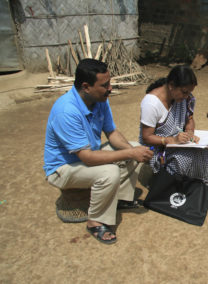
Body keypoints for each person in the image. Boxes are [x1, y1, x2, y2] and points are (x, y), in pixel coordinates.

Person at [43, 58, 153, 245]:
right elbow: (86, 157)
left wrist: (133, 150)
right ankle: (95, 221)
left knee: (133, 146)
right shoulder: (66, 111)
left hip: (86, 157)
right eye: (105, 85)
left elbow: (112, 133)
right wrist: (130, 153)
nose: (110, 88)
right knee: (110, 171)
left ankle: (122, 199)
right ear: (86, 87)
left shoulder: (99, 99)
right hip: (62, 168)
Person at [139, 65, 208, 202]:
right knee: (186, 158)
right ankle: (171, 182)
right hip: (158, 148)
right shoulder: (151, 103)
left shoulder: (184, 99)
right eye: (184, 92)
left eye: (189, 92)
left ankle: (204, 185)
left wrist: (190, 132)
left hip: (178, 141)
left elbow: (189, 119)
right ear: (171, 86)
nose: (187, 96)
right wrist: (170, 140)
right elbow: (147, 137)